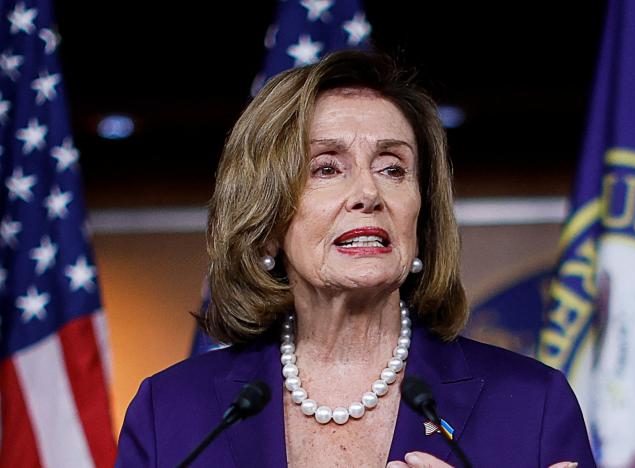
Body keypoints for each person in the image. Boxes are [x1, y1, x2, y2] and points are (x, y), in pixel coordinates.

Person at [115, 50, 595, 468]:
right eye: (326, 167)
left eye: (393, 168)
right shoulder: (173, 412)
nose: (369, 192)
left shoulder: (532, 407)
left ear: (421, 218)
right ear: (265, 221)